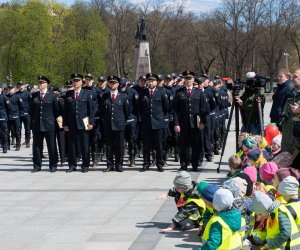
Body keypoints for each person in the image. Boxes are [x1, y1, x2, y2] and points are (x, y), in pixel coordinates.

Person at [173, 70, 209, 171]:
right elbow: (175, 110)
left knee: (196, 145)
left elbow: (203, 109)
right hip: (183, 123)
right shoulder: (179, 92)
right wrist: (176, 123)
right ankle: (184, 164)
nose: (188, 81)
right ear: (184, 80)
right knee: (184, 145)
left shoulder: (199, 92)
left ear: (193, 80)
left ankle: (195, 164)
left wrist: (203, 122)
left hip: (196, 123)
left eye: (190, 79)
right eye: (186, 79)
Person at [137, 73, 169, 172]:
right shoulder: (142, 92)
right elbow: (139, 108)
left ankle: (159, 163)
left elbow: (166, 107)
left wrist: (160, 117)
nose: (150, 83)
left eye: (152, 81)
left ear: (156, 82)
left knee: (159, 144)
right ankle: (146, 163)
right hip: (146, 123)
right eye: (149, 81)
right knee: (146, 144)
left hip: (158, 122)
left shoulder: (161, 92)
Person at [63, 73, 94, 173]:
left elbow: (91, 110)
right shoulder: (68, 94)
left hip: (83, 122)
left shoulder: (87, 93)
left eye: (77, 81)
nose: (75, 83)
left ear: (81, 82)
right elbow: (65, 111)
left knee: (84, 145)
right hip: (71, 123)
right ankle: (72, 165)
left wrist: (91, 123)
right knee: (71, 145)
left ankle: (85, 165)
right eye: (74, 81)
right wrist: (65, 124)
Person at [30, 76, 59, 172]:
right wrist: (32, 124)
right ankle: (37, 166)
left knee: (51, 146)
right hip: (37, 125)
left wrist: (60, 125)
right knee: (37, 147)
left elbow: (57, 112)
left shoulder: (52, 96)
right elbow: (31, 111)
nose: (40, 84)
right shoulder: (34, 96)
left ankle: (53, 165)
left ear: (46, 84)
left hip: (49, 125)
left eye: (42, 83)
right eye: (39, 83)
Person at [101, 76, 129, 172]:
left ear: (118, 84)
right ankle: (109, 164)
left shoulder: (123, 96)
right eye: (111, 83)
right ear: (108, 84)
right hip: (108, 124)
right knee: (108, 145)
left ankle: (119, 164)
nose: (112, 85)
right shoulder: (104, 96)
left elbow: (127, 112)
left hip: (119, 124)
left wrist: (121, 121)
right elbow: (101, 110)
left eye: (114, 83)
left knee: (119, 146)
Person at [281, 68, 300, 167]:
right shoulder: (293, 95)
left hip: (296, 148)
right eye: (292, 76)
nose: (292, 78)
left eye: (295, 76)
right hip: (288, 145)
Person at [119, 77, 138, 167]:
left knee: (131, 140)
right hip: (120, 120)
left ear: (126, 84)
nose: (121, 86)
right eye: (120, 85)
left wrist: (134, 118)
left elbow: (136, 106)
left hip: (131, 119)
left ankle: (132, 158)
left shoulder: (133, 92)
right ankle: (120, 159)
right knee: (121, 141)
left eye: (123, 85)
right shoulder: (117, 92)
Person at [83, 73, 102, 168]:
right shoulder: (83, 90)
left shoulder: (97, 90)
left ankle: (95, 159)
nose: (88, 81)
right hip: (85, 118)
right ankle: (86, 159)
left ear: (93, 80)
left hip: (95, 117)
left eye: (90, 79)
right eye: (86, 79)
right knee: (86, 139)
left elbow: (101, 103)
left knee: (95, 139)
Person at [6, 83, 23, 151]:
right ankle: (7, 145)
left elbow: (21, 106)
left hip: (16, 116)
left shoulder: (17, 96)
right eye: (9, 89)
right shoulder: (5, 96)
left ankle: (18, 145)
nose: (10, 90)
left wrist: (19, 114)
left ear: (14, 89)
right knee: (7, 131)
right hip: (8, 116)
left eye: (11, 88)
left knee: (17, 131)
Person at [16, 81, 31, 148]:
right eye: (19, 85)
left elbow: (31, 103)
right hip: (19, 113)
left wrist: (29, 111)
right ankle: (18, 142)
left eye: (22, 85)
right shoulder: (16, 94)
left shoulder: (27, 94)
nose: (20, 86)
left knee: (27, 128)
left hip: (26, 113)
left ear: (24, 86)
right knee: (18, 128)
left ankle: (27, 141)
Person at [0, 83, 10, 153]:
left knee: (4, 133)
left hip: (3, 116)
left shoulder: (4, 97)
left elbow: (9, 107)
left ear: (1, 89)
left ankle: (5, 147)